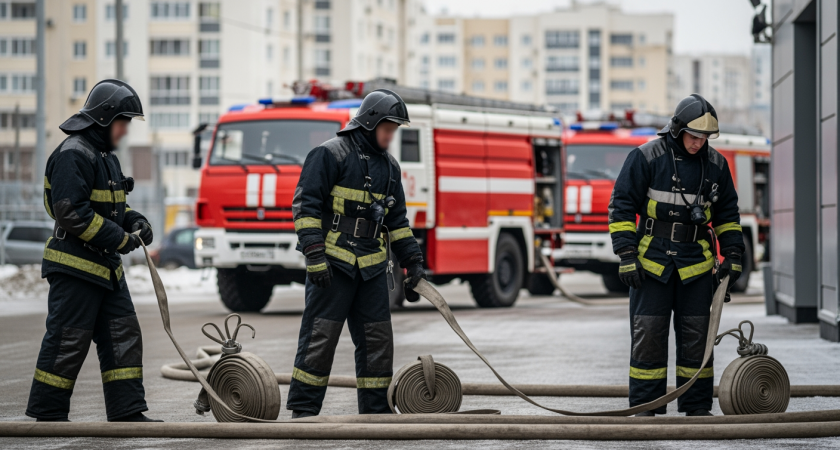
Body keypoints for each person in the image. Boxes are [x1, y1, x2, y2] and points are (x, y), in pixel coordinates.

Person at [26, 79, 160, 423]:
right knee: (67, 342)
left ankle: (128, 411)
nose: (126, 130)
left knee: (123, 336)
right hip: (75, 268)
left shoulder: (105, 158)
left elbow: (111, 209)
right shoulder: (74, 153)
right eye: (123, 122)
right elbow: (71, 211)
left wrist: (136, 221)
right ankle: (48, 415)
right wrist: (119, 239)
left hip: (105, 269)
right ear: (104, 118)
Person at [287, 89, 426, 418]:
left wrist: (414, 263)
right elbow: (305, 208)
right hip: (333, 265)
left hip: (373, 267)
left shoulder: (390, 168)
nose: (391, 137)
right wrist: (315, 256)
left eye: (395, 131)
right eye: (388, 129)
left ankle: (376, 412)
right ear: (370, 122)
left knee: (378, 342)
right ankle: (303, 412)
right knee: (320, 338)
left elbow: (398, 222)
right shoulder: (329, 155)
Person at [608, 94, 744, 417]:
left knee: (697, 342)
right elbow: (621, 206)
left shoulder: (717, 166)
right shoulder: (646, 157)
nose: (699, 144)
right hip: (651, 265)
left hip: (696, 267)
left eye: (705, 138)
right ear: (676, 129)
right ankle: (646, 408)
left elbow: (727, 215)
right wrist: (626, 254)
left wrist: (734, 255)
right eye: (694, 136)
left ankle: (697, 408)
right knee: (648, 339)